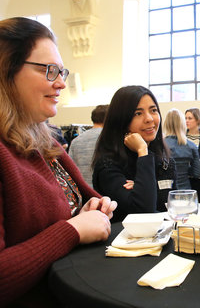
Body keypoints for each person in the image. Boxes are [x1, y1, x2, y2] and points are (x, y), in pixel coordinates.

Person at [0, 17, 117, 306]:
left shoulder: (46, 142)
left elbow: (81, 204)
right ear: (6, 71)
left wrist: (94, 208)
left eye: (61, 71)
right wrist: (73, 230)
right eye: (49, 70)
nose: (62, 83)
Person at [92, 86, 175, 222]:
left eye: (153, 110)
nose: (149, 119)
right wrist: (143, 151)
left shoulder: (164, 161)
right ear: (121, 120)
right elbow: (144, 212)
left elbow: (172, 209)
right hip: (123, 241)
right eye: (138, 113)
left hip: (163, 238)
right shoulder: (109, 165)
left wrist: (142, 187)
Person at [68, 104, 109, 187]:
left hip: (85, 191)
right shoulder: (112, 138)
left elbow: (70, 168)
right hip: (107, 192)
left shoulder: (76, 141)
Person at [164, 108, 200, 190]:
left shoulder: (160, 146)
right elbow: (197, 173)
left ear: (166, 124)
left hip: (167, 192)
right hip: (186, 190)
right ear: (182, 124)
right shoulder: (191, 146)